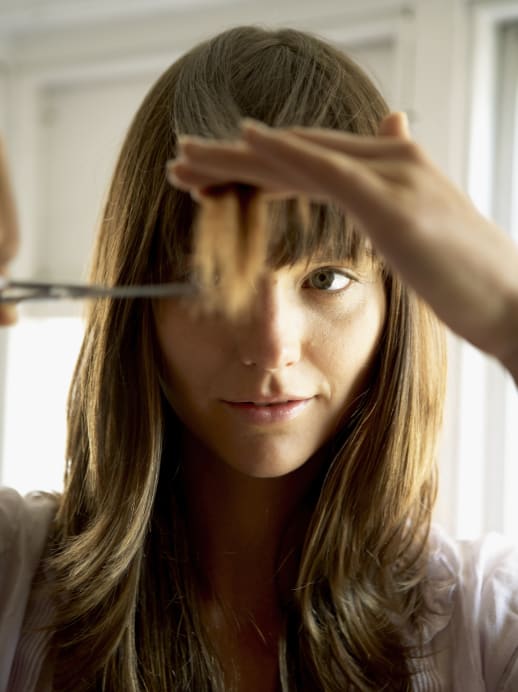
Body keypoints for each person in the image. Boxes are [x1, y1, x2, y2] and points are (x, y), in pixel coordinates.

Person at [1, 25, 518, 692]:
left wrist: (511, 316)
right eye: (214, 279)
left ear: (394, 305)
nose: (272, 345)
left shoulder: (486, 626)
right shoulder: (15, 578)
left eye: (326, 278)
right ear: (139, 307)